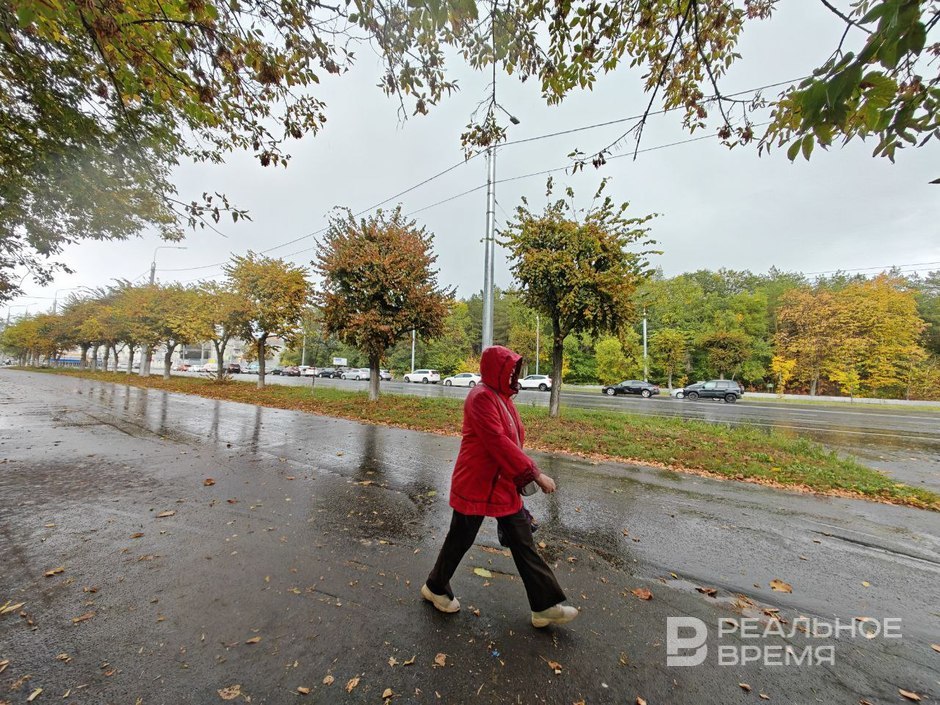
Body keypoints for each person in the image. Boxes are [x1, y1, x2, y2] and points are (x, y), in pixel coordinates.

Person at [421, 345, 578, 628]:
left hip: (502, 485)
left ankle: (544, 606)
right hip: (476, 484)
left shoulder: (503, 399)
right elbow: (498, 442)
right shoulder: (481, 397)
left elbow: (512, 441)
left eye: (516, 371)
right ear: (497, 371)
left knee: (523, 541)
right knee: (460, 539)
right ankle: (435, 587)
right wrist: (534, 475)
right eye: (510, 370)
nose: (514, 376)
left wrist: (519, 477)